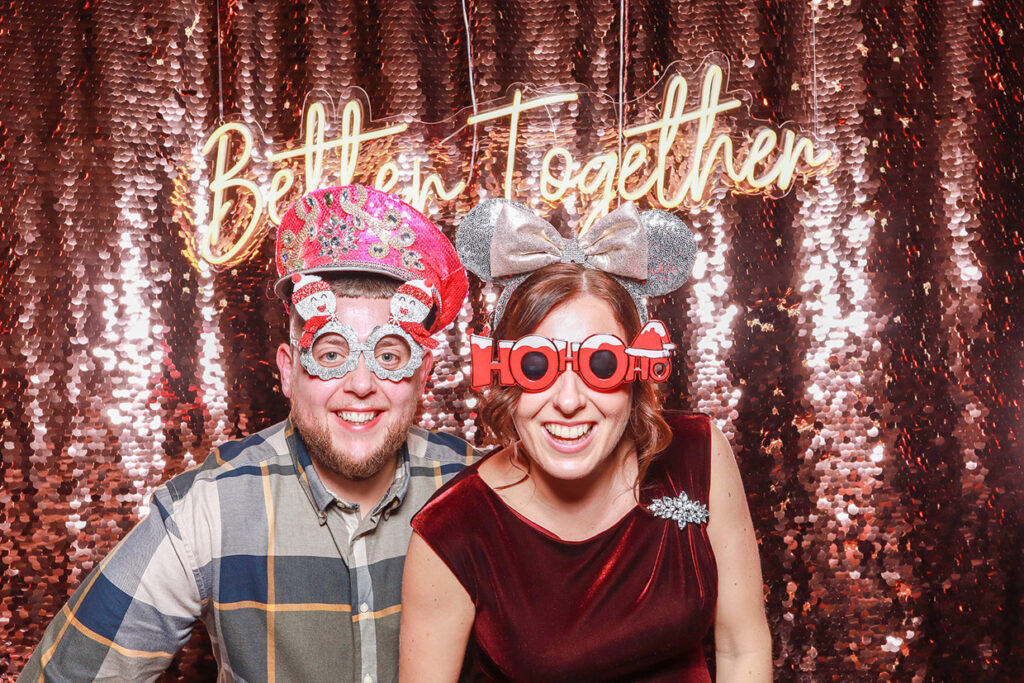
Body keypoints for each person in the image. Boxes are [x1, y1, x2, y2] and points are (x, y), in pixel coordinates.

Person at [21, 185, 475, 683]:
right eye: (330, 355)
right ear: (287, 370)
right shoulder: (210, 507)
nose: (361, 384)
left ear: (423, 372)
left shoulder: (476, 491)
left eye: (389, 356)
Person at [400, 199, 771, 681]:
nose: (569, 401)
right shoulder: (451, 531)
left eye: (601, 365)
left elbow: (743, 647)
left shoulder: (699, 455)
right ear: (504, 376)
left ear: (639, 371)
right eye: (537, 366)